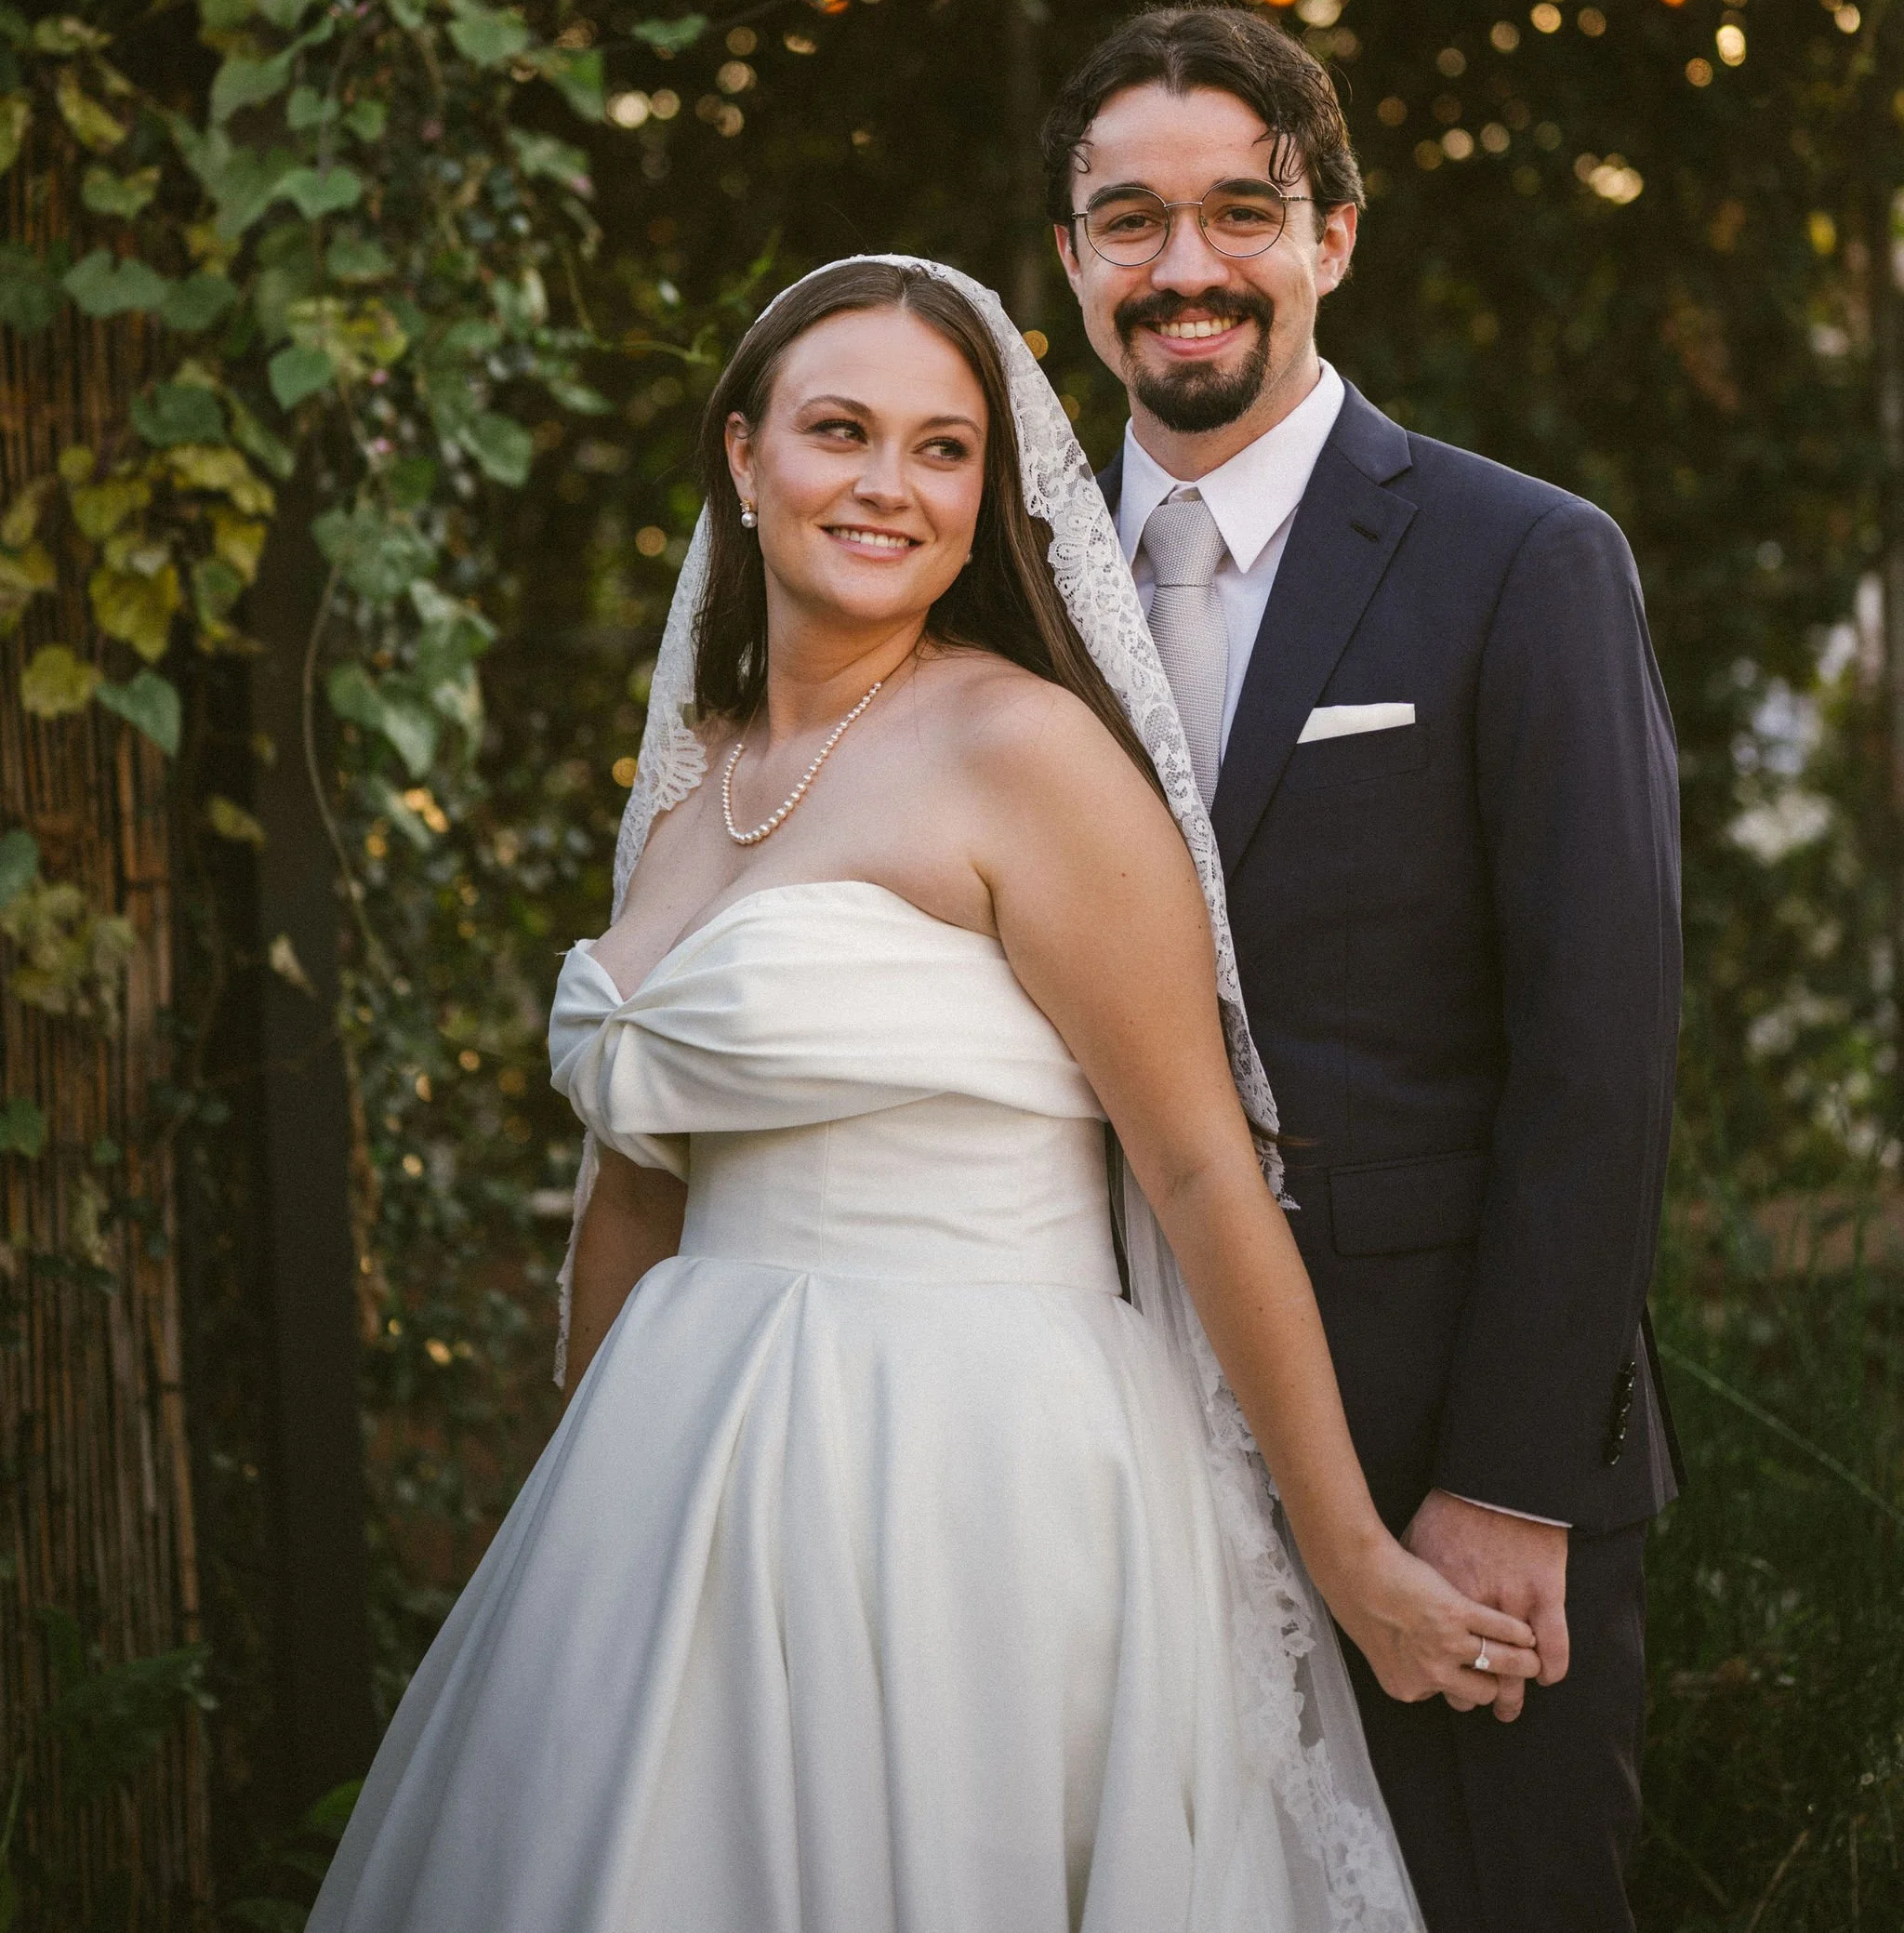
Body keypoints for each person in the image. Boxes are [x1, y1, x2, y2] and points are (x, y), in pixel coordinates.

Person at [310, 256, 1543, 1933]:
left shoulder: (1022, 753)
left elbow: (1196, 1168)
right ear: (743, 460)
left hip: (970, 1472)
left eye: (943, 448)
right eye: (840, 431)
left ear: (993, 493)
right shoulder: (689, 788)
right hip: (679, 1487)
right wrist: (584, 1518)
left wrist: (1347, 1556)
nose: (889, 484)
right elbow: (640, 1186)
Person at [1044, 4, 1684, 1933]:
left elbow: (1604, 1052)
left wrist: (1512, 1477)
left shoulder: (1520, 560)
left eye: (1241, 210)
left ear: (1332, 236)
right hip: (1100, 1441)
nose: (1183, 268)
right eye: (1128, 220)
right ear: (1069, 264)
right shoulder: (1010, 592)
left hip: (1440, 1459)